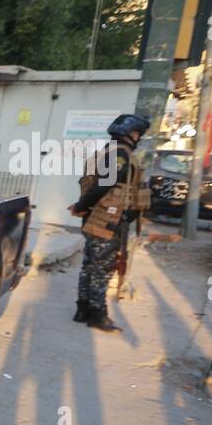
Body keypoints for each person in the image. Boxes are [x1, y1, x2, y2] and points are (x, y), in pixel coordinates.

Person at [69, 113, 150, 334]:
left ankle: (82, 310)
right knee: (102, 269)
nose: (139, 137)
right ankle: (98, 315)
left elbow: (98, 185)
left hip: (96, 219)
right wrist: (80, 205)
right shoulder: (120, 155)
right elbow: (103, 185)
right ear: (131, 134)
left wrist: (82, 206)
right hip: (107, 222)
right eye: (138, 133)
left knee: (89, 266)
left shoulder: (107, 151)